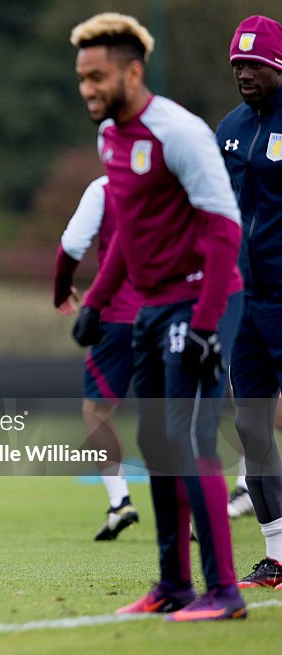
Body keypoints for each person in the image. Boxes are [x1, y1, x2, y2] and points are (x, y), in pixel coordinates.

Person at [71, 13, 246, 621]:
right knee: (153, 441)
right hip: (150, 306)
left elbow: (226, 228)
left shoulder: (180, 132)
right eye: (81, 78)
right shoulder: (109, 138)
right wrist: (95, 302)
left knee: (188, 438)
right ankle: (174, 586)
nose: (88, 88)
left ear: (133, 71)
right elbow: (126, 236)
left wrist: (205, 322)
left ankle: (224, 593)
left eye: (98, 77)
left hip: (202, 299)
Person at [216, 14, 282, 589]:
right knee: (253, 426)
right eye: (238, 63)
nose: (243, 72)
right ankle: (277, 553)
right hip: (244, 303)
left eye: (254, 63)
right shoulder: (230, 129)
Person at [54, 177, 142, 540]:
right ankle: (188, 517)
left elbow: (72, 244)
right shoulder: (180, 180)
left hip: (118, 316)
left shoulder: (104, 188)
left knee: (96, 409)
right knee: (176, 414)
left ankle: (119, 500)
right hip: (176, 313)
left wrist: (62, 289)